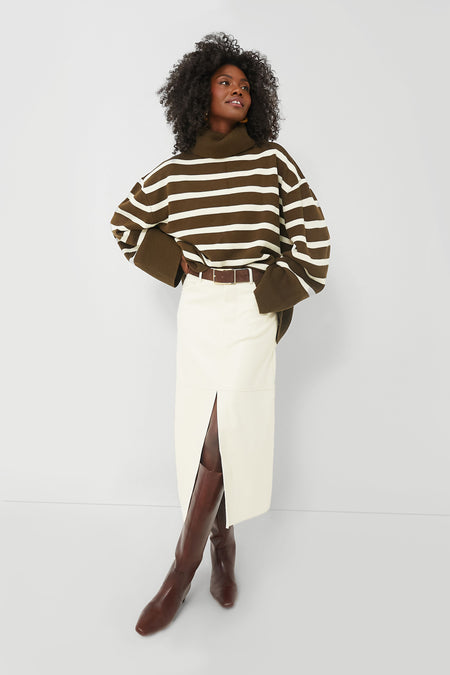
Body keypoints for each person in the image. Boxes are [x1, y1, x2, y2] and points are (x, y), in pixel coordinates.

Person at [110, 32, 331, 636]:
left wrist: (270, 298)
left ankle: (179, 571)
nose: (239, 90)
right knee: (206, 432)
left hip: (251, 307)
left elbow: (313, 240)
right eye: (224, 82)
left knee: (219, 430)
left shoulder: (273, 162)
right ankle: (223, 549)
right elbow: (126, 224)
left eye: (246, 85)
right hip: (201, 307)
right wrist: (178, 263)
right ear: (197, 93)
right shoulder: (174, 172)